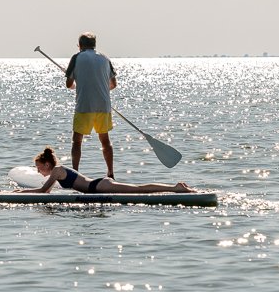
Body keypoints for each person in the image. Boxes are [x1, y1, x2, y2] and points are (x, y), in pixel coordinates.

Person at [19, 147, 194, 195]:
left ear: (47, 165)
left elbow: (44, 191)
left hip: (99, 187)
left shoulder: (57, 170)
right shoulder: (57, 170)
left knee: (139, 190)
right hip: (98, 185)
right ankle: (174, 187)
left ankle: (175, 188)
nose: (38, 170)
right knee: (138, 189)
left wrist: (20, 192)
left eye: (39, 167)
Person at [65, 33, 117, 177]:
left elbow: (69, 84)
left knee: (77, 141)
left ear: (80, 45)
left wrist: (76, 83)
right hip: (103, 105)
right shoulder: (105, 58)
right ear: (94, 45)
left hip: (84, 105)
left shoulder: (76, 58)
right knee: (105, 140)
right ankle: (111, 173)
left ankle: (75, 173)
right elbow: (113, 84)